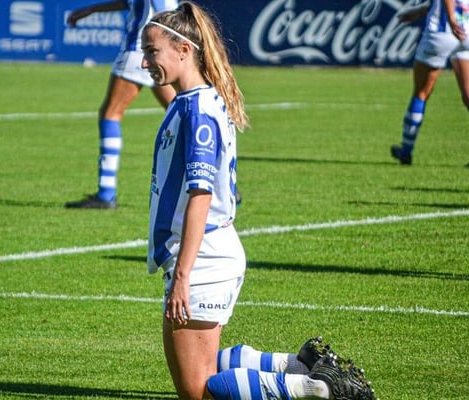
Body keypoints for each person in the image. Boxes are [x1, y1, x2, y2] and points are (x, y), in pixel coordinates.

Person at [143, 2, 376, 399]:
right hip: (211, 253)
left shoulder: (197, 111)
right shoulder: (194, 101)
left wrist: (183, 276)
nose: (144, 62)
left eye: (152, 51)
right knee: (203, 369)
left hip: (201, 260)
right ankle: (296, 366)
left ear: (183, 50)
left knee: (198, 393)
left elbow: (201, 195)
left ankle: (314, 388)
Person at [65, 0, 179, 209]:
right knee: (182, 114)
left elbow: (162, 10)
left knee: (110, 114)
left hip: (140, 50)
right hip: (159, 50)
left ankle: (106, 193)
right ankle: (222, 182)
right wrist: (91, 10)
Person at [391, 0, 469, 165]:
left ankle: (406, 150)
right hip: (465, 33)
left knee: (421, 92)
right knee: (468, 94)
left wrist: (451, 19)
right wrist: (421, 10)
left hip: (442, 33)